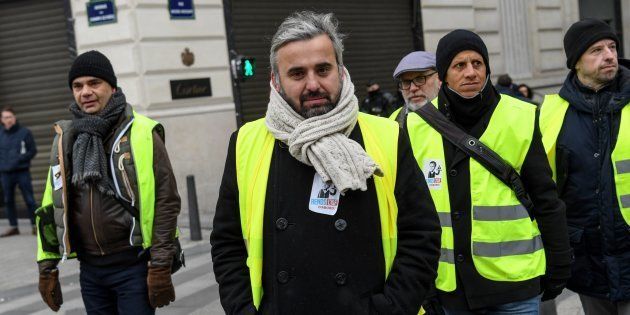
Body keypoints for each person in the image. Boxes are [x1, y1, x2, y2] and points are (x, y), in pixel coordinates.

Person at [210, 11, 441, 314]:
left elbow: (421, 235)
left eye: (323, 69)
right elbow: (227, 244)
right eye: (297, 74)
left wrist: (390, 309)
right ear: (275, 81)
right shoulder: (245, 142)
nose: (313, 84)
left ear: (341, 72)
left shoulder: (387, 136)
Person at [405, 29, 572, 314]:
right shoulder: (416, 126)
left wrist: (560, 262)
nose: (471, 72)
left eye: (477, 63)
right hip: (451, 288)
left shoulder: (521, 115)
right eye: (460, 65)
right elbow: (411, 212)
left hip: (514, 285)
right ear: (444, 74)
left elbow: (545, 197)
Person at [35, 50, 181, 314]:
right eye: (77, 86)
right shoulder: (66, 139)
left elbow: (166, 201)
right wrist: (47, 266)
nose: (85, 92)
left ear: (112, 87)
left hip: (133, 266)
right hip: (91, 271)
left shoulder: (142, 132)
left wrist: (160, 265)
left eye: (94, 83)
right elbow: (50, 205)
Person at [539, 18, 630, 314]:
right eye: (597, 49)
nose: (609, 55)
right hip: (587, 258)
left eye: (612, 47)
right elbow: (546, 186)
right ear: (575, 61)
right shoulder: (552, 112)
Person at [0, 107, 37, 237]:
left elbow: (32, 151)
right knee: (8, 200)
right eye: (5, 117)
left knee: (29, 199)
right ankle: (13, 227)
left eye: (10, 117)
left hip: (22, 171)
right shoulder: (0, 133)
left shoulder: (24, 132)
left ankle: (35, 226)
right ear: (1, 120)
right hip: (5, 173)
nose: (8, 120)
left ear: (14, 118)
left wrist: (19, 159)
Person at [389, 51, 441, 126]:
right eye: (406, 82)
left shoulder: (459, 113)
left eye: (420, 79)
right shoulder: (393, 122)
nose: (413, 88)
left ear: (439, 79)